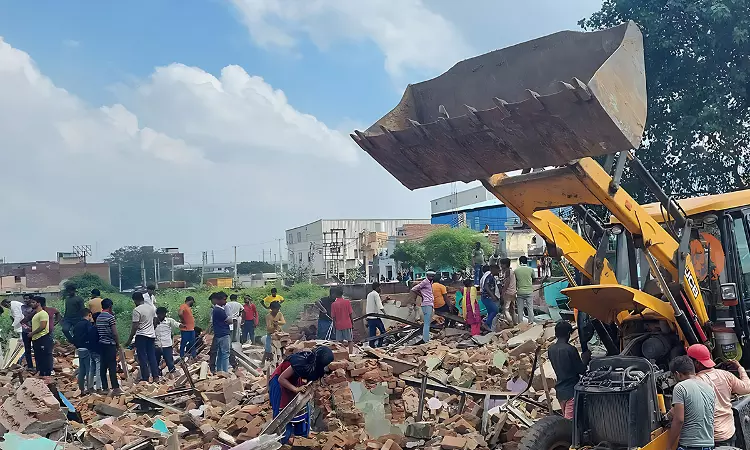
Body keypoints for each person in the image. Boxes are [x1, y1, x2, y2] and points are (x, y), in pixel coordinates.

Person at [269, 347, 334, 444]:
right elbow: (281, 379)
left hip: (293, 381)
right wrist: (295, 389)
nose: (326, 367)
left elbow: (310, 379)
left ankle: (301, 439)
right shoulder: (301, 362)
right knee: (283, 412)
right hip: (280, 383)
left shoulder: (313, 365)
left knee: (301, 409)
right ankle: (281, 441)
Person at [688, 344, 750, 447]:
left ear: (696, 363)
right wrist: (740, 368)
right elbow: (747, 387)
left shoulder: (695, 382)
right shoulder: (725, 375)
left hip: (711, 438)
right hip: (729, 433)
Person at [668, 355, 715, 450]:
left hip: (690, 445)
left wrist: (669, 446)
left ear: (677, 374)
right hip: (709, 444)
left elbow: (679, 419)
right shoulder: (709, 388)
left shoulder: (680, 387)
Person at [547, 321, 590, 419]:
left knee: (567, 420)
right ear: (568, 334)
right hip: (572, 390)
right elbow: (581, 370)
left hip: (560, 391)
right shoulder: (570, 349)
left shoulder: (551, 350)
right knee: (570, 423)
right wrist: (585, 359)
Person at [125, 292, 160, 383]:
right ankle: (156, 377)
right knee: (152, 356)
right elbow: (156, 320)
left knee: (142, 357)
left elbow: (135, 326)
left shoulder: (136, 310)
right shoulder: (151, 308)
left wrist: (129, 339)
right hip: (151, 336)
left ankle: (146, 378)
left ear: (135, 300)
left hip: (141, 336)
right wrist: (152, 328)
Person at [96, 298, 122, 395]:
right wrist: (118, 344)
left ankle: (105, 387)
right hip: (110, 344)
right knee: (112, 366)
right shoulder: (110, 317)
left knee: (103, 366)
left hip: (101, 343)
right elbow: (114, 333)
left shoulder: (98, 317)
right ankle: (115, 387)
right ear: (110, 306)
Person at [72, 309, 97, 394]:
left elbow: (74, 336)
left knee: (82, 369)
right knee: (89, 369)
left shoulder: (77, 324)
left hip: (79, 349)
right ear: (89, 315)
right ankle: (90, 388)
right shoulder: (87, 324)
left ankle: (81, 389)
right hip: (86, 348)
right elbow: (90, 335)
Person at [29, 296, 53, 376]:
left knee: (44, 357)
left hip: (42, 338)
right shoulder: (37, 314)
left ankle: (47, 374)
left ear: (38, 303)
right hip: (36, 339)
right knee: (38, 357)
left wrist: (32, 333)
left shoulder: (43, 313)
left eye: (33, 302)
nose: (31, 304)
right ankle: (41, 374)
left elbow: (43, 326)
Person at [154, 307, 180, 376]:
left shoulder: (169, 321)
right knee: (155, 361)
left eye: (164, 313)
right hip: (157, 345)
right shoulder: (154, 321)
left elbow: (176, 324)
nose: (163, 315)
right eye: (161, 314)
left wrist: (182, 326)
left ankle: (172, 374)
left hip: (167, 345)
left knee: (169, 361)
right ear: (158, 314)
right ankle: (156, 375)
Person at [411, 271, 436, 343]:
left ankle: (426, 338)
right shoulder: (425, 282)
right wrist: (421, 295)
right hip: (426, 303)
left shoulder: (430, 282)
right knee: (427, 323)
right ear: (427, 276)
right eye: (430, 276)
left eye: (432, 276)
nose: (431, 277)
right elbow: (413, 289)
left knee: (427, 322)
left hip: (429, 303)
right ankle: (426, 339)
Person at [211, 292, 232, 373]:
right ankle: (225, 371)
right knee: (225, 354)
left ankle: (219, 370)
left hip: (218, 334)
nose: (225, 302)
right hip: (224, 333)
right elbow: (229, 321)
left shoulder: (215, 310)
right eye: (224, 299)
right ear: (219, 300)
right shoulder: (219, 310)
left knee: (220, 353)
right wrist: (230, 319)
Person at [331, 289, 354, 354]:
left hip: (338, 325)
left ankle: (342, 354)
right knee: (350, 340)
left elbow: (333, 317)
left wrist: (334, 327)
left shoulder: (333, 304)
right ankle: (351, 354)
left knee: (339, 342)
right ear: (342, 294)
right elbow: (350, 314)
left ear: (335, 294)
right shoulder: (347, 302)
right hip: (347, 324)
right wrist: (352, 323)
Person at [366, 282, 388, 348]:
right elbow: (380, 306)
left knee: (372, 334)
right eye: (379, 287)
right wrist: (385, 313)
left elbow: (374, 304)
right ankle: (379, 345)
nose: (380, 289)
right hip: (375, 318)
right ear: (377, 288)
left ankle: (371, 346)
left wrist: (384, 301)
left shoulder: (369, 294)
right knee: (383, 332)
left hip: (370, 317)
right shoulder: (376, 294)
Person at [515, 256, 536, 324]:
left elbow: (515, 281)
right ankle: (531, 322)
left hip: (520, 292)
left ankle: (520, 323)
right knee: (530, 308)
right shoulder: (531, 269)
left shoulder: (516, 270)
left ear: (520, 262)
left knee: (520, 309)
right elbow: (534, 279)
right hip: (529, 291)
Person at [480, 265, 501, 330]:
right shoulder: (489, 277)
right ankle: (486, 323)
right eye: (498, 270)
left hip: (486, 297)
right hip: (487, 297)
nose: (499, 271)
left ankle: (489, 328)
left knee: (490, 312)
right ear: (493, 269)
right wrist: (493, 296)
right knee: (495, 310)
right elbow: (486, 287)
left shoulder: (489, 276)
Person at [500, 258, 517, 324]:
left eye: (501, 264)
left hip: (508, 293)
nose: (501, 265)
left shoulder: (507, 271)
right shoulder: (511, 271)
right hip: (513, 292)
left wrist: (503, 292)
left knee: (506, 310)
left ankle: (510, 322)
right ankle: (515, 323)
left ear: (505, 264)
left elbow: (507, 283)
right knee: (512, 310)